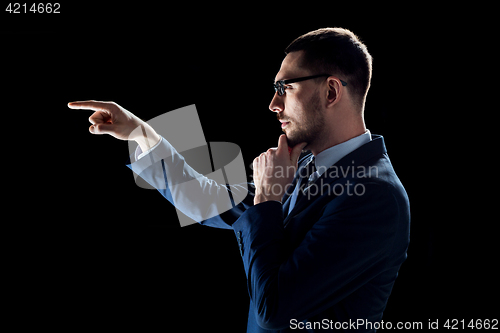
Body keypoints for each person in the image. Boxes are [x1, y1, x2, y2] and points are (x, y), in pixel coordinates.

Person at [69, 28, 410, 332]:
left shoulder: (376, 197)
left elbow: (274, 311)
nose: (273, 104)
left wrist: (268, 199)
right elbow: (212, 202)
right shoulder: (305, 164)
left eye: (285, 88)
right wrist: (142, 134)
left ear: (331, 92)